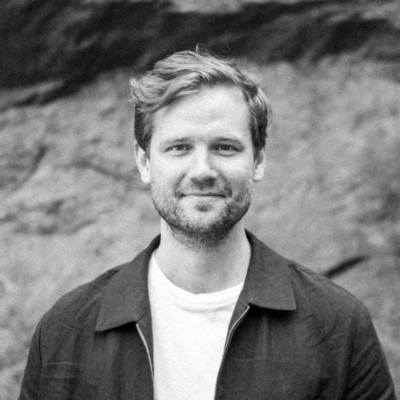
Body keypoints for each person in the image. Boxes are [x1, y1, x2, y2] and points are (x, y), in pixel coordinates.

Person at [19, 49, 396, 400]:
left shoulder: (337, 327)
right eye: (179, 147)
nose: (202, 170)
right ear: (144, 162)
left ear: (258, 160)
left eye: (224, 147)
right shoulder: (66, 331)